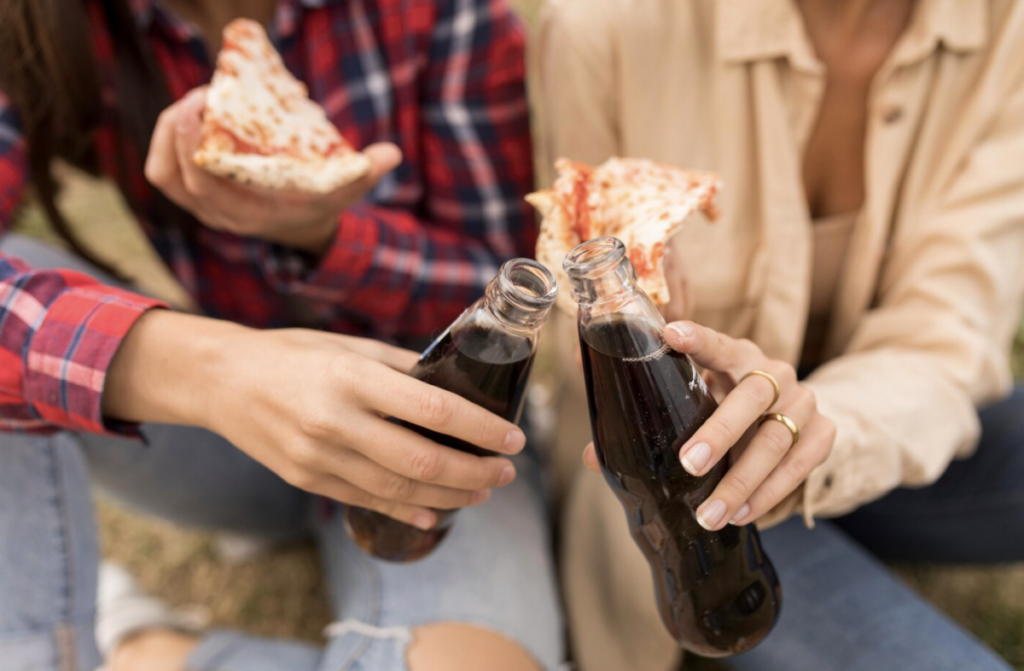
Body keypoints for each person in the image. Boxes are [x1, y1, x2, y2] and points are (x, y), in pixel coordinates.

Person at [0, 1, 564, 670]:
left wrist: (319, 233)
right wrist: (218, 372)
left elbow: (502, 284)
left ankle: (145, 651)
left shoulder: (446, 14)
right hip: (225, 437)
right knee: (21, 274)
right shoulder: (58, 20)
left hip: (439, 430)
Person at [535, 0, 1024, 669]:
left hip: (866, 435)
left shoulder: (1009, 33)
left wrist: (816, 428)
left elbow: (945, 333)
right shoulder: (604, 26)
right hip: (698, 486)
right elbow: (580, 306)